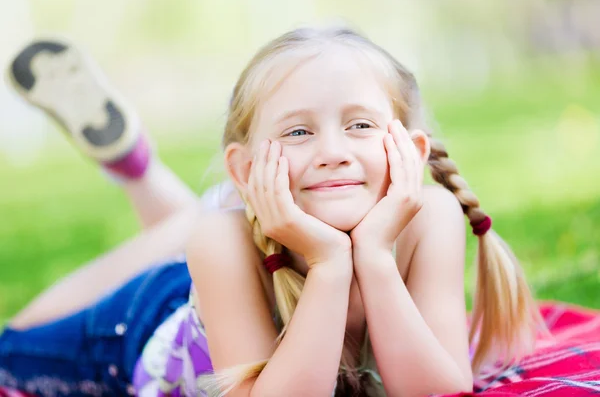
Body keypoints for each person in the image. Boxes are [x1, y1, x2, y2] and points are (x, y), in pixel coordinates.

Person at [0, 26, 546, 397]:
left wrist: (375, 259)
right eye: (299, 131)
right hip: (145, 325)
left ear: (411, 150)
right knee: (12, 346)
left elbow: (437, 392)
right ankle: (144, 178)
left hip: (232, 251)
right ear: (244, 168)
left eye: (360, 124)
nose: (333, 150)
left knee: (197, 225)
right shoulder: (222, 241)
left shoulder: (430, 219)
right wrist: (332, 264)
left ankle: (143, 174)